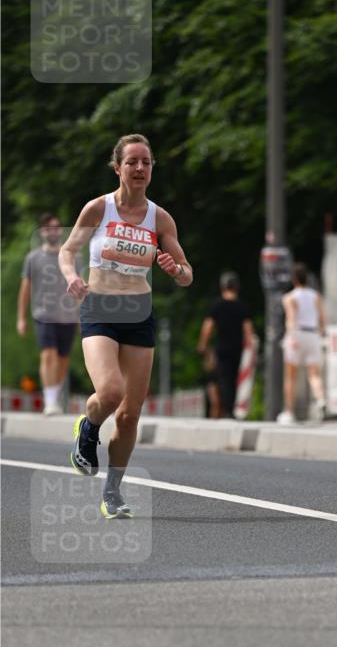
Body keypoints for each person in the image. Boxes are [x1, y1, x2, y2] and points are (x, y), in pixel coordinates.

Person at [59, 133, 192, 517]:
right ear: (117, 168)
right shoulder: (98, 210)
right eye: (132, 162)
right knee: (111, 391)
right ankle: (88, 426)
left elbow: (187, 274)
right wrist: (71, 276)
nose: (139, 168)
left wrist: (175, 268)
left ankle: (112, 492)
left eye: (146, 162)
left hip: (138, 313)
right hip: (100, 308)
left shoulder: (159, 218)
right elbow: (68, 251)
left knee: (131, 413)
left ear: (152, 169)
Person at [17, 213, 82, 415]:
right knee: (48, 355)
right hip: (43, 314)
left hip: (68, 315)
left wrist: (83, 315)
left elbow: (80, 286)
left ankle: (55, 393)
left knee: (62, 359)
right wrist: (21, 318)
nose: (52, 231)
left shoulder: (74, 257)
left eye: (56, 227)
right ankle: (50, 401)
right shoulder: (33, 258)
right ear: (42, 232)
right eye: (48, 228)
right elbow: (25, 289)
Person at [197, 272, 253, 418]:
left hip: (222, 347)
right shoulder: (242, 306)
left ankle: (227, 410)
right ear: (236, 287)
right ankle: (230, 409)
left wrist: (203, 343)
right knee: (234, 378)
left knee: (224, 378)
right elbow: (248, 330)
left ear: (222, 287)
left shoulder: (217, 305)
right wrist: (250, 347)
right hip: (237, 348)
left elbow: (208, 326)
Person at [277, 263, 326, 424]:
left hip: (297, 334)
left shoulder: (290, 297)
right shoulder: (315, 296)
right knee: (314, 374)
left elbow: (291, 317)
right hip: (313, 334)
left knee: (291, 377)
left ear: (294, 279)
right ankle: (320, 400)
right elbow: (322, 318)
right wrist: (321, 334)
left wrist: (292, 336)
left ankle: (289, 411)